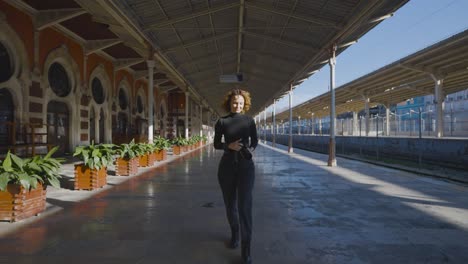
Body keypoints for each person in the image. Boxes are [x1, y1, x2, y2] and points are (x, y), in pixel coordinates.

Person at [214, 88, 258, 264]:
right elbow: (216, 143)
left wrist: (249, 148)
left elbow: (255, 141)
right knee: (230, 204)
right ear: (229, 103)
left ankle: (246, 250)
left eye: (240, 103)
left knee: (245, 206)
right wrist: (228, 146)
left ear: (244, 104)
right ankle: (235, 233)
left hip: (246, 167)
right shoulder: (222, 122)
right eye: (234, 102)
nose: (237, 105)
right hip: (226, 168)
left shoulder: (249, 121)